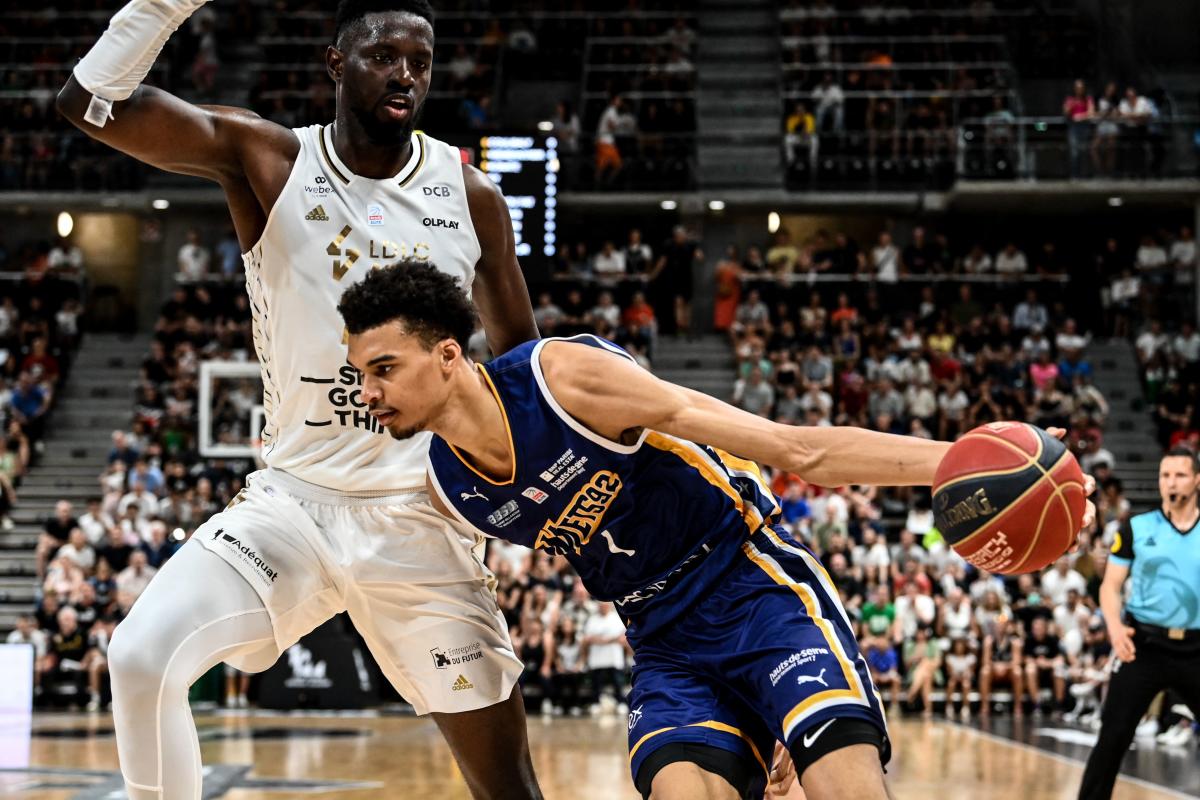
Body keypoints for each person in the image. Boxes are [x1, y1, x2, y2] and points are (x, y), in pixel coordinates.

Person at [338, 261, 1096, 800]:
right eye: (360, 375)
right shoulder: (448, 486)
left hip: (752, 584)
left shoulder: (567, 382)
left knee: (843, 785)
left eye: (382, 368)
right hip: (662, 638)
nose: (366, 393)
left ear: (447, 355)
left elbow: (798, 450)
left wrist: (974, 468)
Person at [57, 1, 542, 798]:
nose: (406, 75)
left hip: (419, 514)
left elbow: (522, 368)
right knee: (140, 657)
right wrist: (163, 6)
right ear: (335, 64)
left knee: (509, 786)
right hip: (293, 505)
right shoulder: (268, 158)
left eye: (420, 61)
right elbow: (90, 105)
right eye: (384, 55)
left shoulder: (472, 194)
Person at [1078, 447, 1200, 800]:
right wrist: (1115, 629)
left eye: (1179, 475)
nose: (1170, 482)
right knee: (1113, 737)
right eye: (1164, 475)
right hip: (1142, 646)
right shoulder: (1136, 527)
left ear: (1196, 480)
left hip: (1195, 650)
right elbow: (1111, 586)